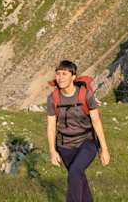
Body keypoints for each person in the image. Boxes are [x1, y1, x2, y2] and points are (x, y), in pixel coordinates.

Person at [45, 59, 109, 202]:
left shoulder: (85, 95)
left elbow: (96, 122)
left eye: (64, 74)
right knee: (79, 178)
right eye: (57, 74)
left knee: (74, 172)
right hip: (65, 146)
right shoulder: (53, 98)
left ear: (73, 77)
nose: (60, 77)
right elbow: (51, 126)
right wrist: (52, 150)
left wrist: (104, 149)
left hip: (87, 142)